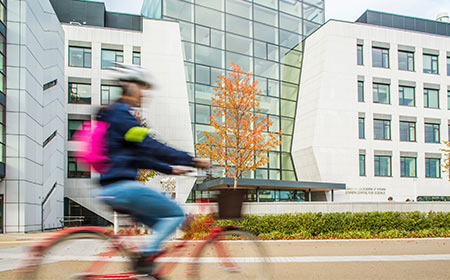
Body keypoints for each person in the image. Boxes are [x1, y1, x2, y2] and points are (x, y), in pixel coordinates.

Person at [95, 64, 211, 278]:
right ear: (129, 85)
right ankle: (145, 265)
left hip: (111, 189)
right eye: (141, 87)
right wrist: (192, 160)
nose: (144, 93)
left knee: (161, 225)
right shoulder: (123, 116)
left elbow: (140, 156)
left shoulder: (116, 116)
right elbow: (151, 146)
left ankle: (148, 269)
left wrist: (170, 168)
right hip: (122, 188)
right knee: (176, 214)